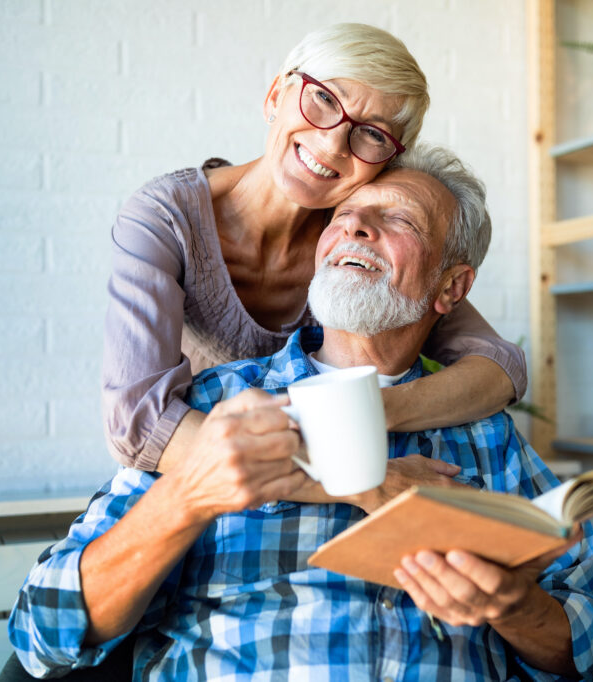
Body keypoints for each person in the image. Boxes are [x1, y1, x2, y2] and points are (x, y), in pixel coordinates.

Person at [9, 145, 593, 680]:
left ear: (452, 288)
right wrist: (187, 498)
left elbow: (583, 644)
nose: (355, 228)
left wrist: (512, 607)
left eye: (396, 218)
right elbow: (41, 630)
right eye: (342, 217)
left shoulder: (489, 437)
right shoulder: (214, 410)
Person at [103, 22, 527, 476]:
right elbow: (139, 429)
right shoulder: (165, 218)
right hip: (192, 477)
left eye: (373, 134)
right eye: (324, 98)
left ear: (390, 161)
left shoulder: (355, 241)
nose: (332, 143)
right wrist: (362, 485)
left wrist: (369, 413)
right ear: (274, 96)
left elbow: (499, 368)